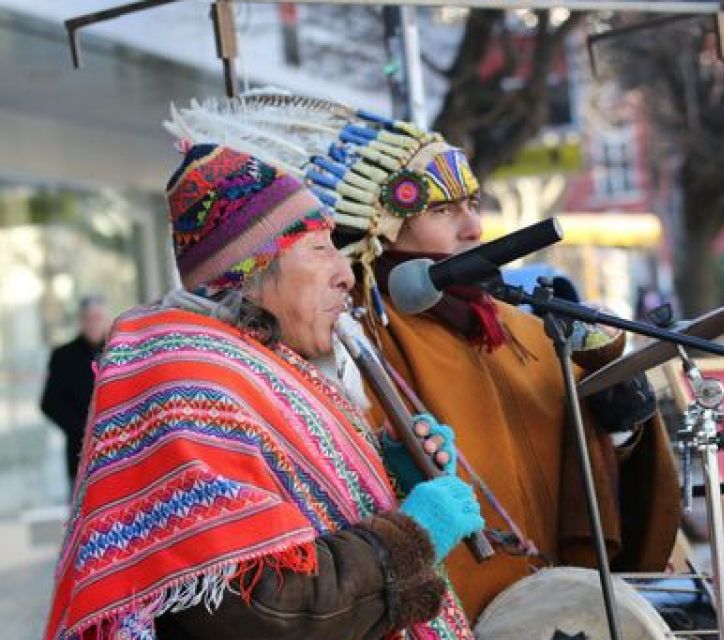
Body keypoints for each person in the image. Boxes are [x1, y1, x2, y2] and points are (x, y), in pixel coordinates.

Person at [163, 96, 681, 625]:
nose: (473, 227)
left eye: (473, 203)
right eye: (441, 210)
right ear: (383, 227)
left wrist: (623, 434)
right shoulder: (296, 358)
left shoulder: (522, 330)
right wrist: (412, 530)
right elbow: (267, 599)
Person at [44, 144, 484, 640]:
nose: (345, 274)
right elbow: (262, 608)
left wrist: (389, 476)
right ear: (252, 270)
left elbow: (302, 509)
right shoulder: (187, 385)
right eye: (319, 249)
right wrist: (411, 539)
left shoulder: (258, 363)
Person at [40, 295, 110, 493]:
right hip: (80, 454)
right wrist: (84, 430)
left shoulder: (119, 352)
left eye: (97, 318)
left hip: (117, 452)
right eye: (88, 318)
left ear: (106, 320)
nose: (93, 323)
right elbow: (49, 404)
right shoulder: (63, 356)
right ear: (80, 321)